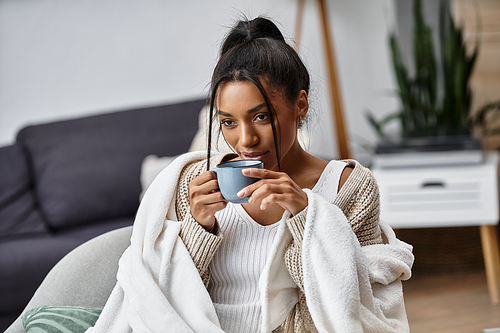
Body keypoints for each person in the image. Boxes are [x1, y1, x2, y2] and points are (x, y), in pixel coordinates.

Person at [86, 16, 414, 332]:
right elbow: (170, 302)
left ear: (300, 105)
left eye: (260, 117)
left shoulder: (348, 187)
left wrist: (306, 216)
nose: (246, 140)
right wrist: (198, 229)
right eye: (228, 122)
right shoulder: (195, 182)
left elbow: (352, 308)